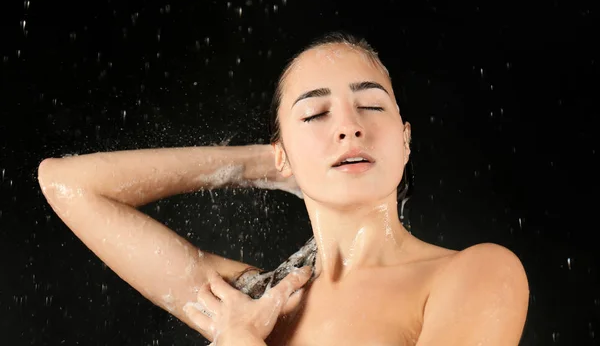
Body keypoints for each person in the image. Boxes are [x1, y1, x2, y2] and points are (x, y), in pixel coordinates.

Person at [38, 31, 529, 345]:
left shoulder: (477, 274)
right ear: (284, 154)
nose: (349, 128)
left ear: (405, 141)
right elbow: (66, 184)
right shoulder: (255, 301)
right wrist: (258, 165)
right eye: (316, 114)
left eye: (372, 106)